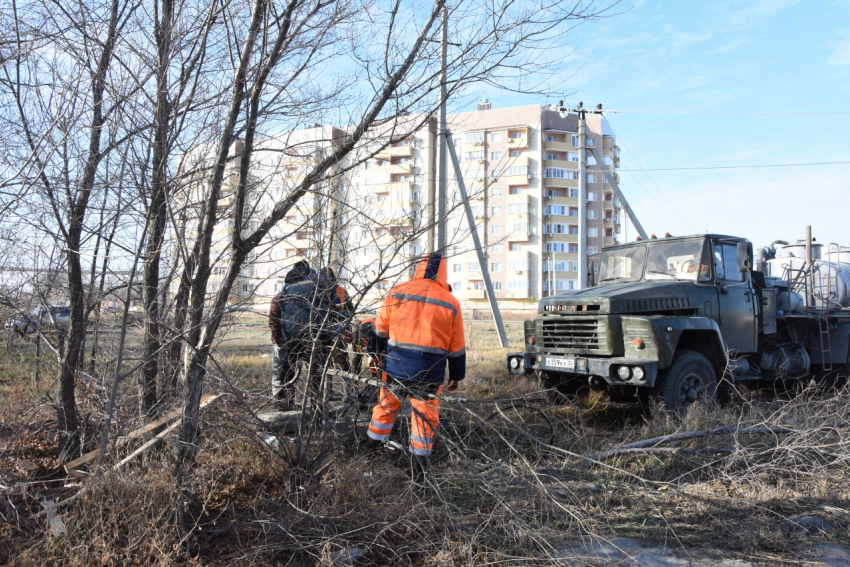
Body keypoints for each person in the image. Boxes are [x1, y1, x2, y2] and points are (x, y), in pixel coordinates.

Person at [360, 253, 466, 485]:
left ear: (418, 269)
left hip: (395, 367)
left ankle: (369, 454)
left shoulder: (398, 291)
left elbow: (380, 330)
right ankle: (419, 473)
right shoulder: (451, 302)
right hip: (430, 372)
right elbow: (456, 346)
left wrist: (375, 358)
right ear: (443, 273)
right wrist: (456, 376)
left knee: (385, 408)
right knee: (425, 419)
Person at [269, 260, 342, 410]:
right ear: (309, 271)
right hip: (319, 333)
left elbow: (277, 312)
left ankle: (284, 404)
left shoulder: (287, 287)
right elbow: (336, 306)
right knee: (318, 371)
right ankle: (318, 407)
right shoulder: (322, 282)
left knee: (288, 368)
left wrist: (282, 338)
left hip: (292, 333)